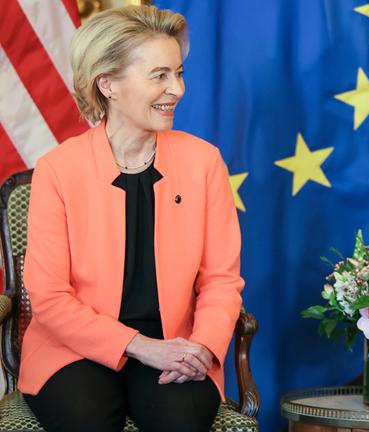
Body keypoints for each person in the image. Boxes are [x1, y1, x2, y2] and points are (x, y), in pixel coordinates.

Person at [19, 5, 244, 432]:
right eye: (159, 75)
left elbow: (221, 280)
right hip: (73, 349)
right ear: (109, 84)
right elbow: (49, 296)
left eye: (178, 73)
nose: (176, 89)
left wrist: (201, 346)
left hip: (176, 344)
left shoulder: (204, 162)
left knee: (178, 421)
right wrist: (138, 346)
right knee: (84, 419)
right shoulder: (58, 169)